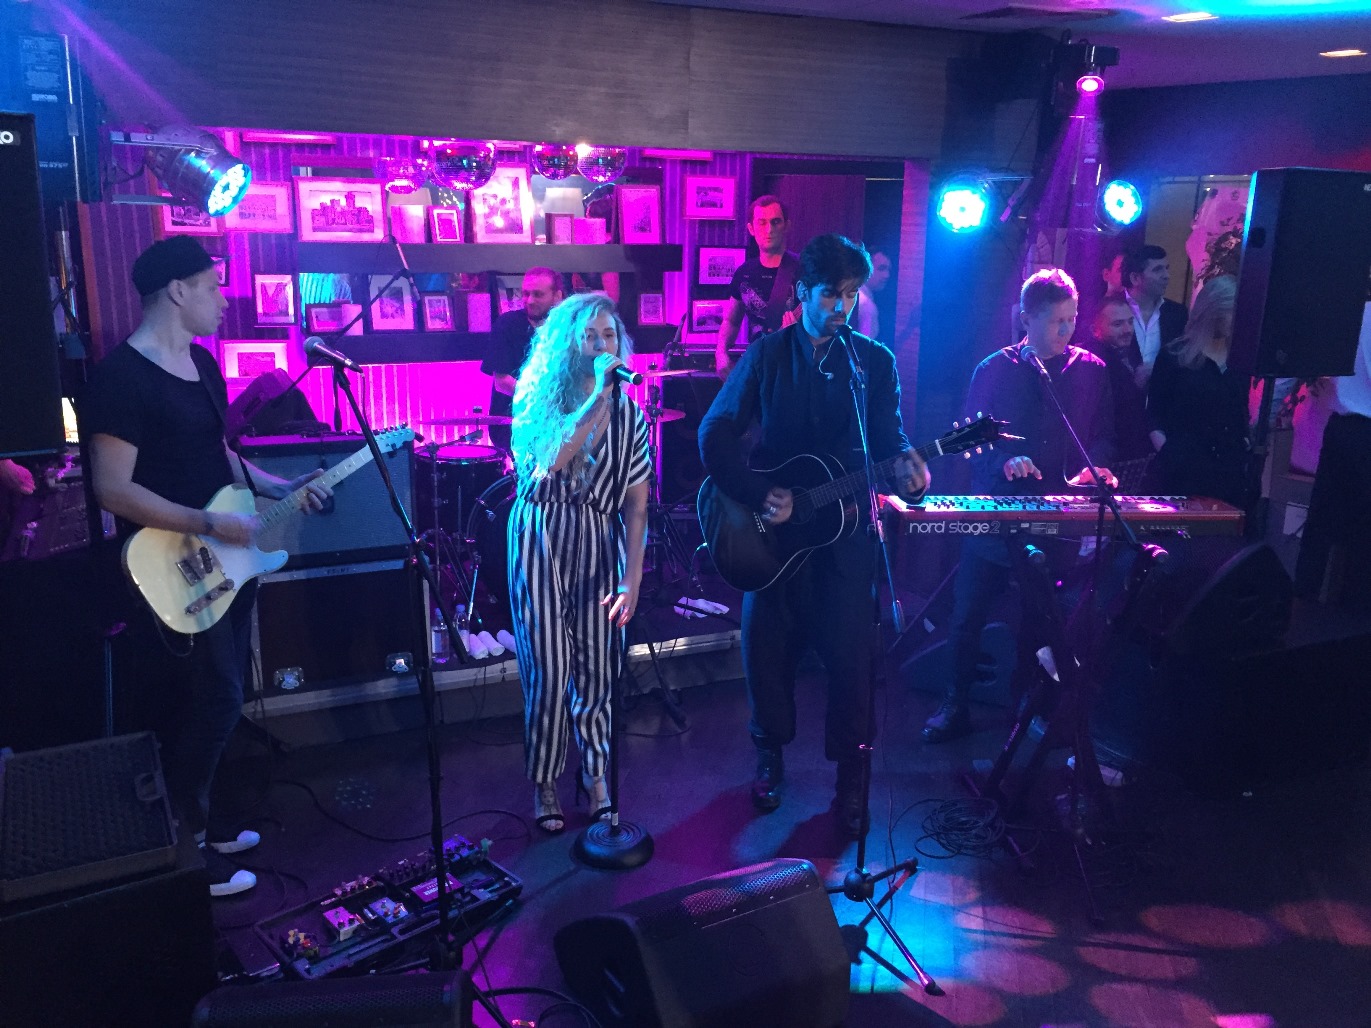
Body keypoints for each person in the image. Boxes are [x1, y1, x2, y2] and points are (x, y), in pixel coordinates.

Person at [82, 236, 332, 897]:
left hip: (223, 558)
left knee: (223, 694)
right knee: (208, 699)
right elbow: (112, 489)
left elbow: (219, 455)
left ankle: (208, 822)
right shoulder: (120, 378)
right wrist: (207, 522)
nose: (224, 299)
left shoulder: (201, 364)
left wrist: (278, 486)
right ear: (178, 290)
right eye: (213, 286)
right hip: (170, 564)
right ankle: (184, 847)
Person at [699, 234, 929, 835]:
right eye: (830, 293)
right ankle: (769, 760)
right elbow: (714, 433)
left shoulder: (872, 362)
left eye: (851, 294)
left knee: (853, 664)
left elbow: (890, 440)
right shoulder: (766, 355)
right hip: (771, 536)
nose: (842, 306)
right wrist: (757, 493)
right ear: (802, 293)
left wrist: (909, 468)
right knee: (766, 651)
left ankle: (851, 783)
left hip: (845, 538)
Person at [922, 268, 1116, 744]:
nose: (1066, 330)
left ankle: (1026, 709)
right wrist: (1004, 460)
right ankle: (954, 703)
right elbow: (968, 440)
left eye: (1072, 319)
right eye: (1056, 321)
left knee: (1042, 618)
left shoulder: (1091, 370)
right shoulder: (994, 369)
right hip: (997, 510)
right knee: (968, 612)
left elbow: (1105, 435)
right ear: (1026, 319)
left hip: (1057, 515)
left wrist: (1096, 467)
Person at [506, 293, 650, 833]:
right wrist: (596, 400)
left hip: (597, 536)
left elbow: (637, 504)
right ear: (569, 343)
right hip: (541, 532)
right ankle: (545, 780)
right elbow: (550, 461)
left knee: (598, 667)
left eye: (609, 335)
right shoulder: (536, 394)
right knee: (548, 668)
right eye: (590, 336)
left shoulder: (631, 414)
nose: (601, 345)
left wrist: (632, 577)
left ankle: (595, 778)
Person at [1295, 276, 1371, 607]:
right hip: (1364, 432)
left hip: (1341, 427)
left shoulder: (1353, 314)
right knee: (1363, 529)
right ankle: (1354, 608)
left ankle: (1302, 598)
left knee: (1321, 521)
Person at [1143, 276, 1251, 506]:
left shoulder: (1240, 358)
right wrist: (1169, 453)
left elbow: (1240, 412)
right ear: (1213, 312)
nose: (1238, 321)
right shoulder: (1174, 357)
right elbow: (1153, 414)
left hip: (1228, 476)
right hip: (1183, 475)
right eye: (1232, 313)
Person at [715, 195, 801, 379]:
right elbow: (731, 320)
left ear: (787, 226)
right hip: (758, 367)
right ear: (751, 229)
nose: (769, 229)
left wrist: (800, 331)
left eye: (776, 222)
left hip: (794, 368)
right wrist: (721, 352)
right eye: (762, 223)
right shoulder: (744, 272)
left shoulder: (804, 270)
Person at [482, 267, 565, 450]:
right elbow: (502, 382)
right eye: (526, 294)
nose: (530, 300)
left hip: (557, 425)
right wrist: (544, 400)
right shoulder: (507, 324)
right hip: (513, 423)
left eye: (538, 294)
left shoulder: (566, 329)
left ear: (557, 296)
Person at [1088, 297, 1153, 466]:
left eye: (1130, 322)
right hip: (1108, 459)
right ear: (1095, 330)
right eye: (1118, 324)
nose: (1127, 330)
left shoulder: (1129, 351)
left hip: (1131, 454)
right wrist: (1137, 384)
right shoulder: (1091, 360)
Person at [1122, 245, 1189, 384]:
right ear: (1135, 278)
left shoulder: (1177, 313)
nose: (1167, 276)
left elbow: (1182, 359)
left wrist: (1158, 370)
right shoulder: (1111, 310)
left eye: (1166, 268)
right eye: (1158, 269)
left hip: (1163, 394)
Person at [854, 250, 891, 340]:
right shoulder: (866, 305)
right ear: (866, 268)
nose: (887, 275)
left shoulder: (854, 295)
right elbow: (865, 344)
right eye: (881, 268)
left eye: (889, 270)